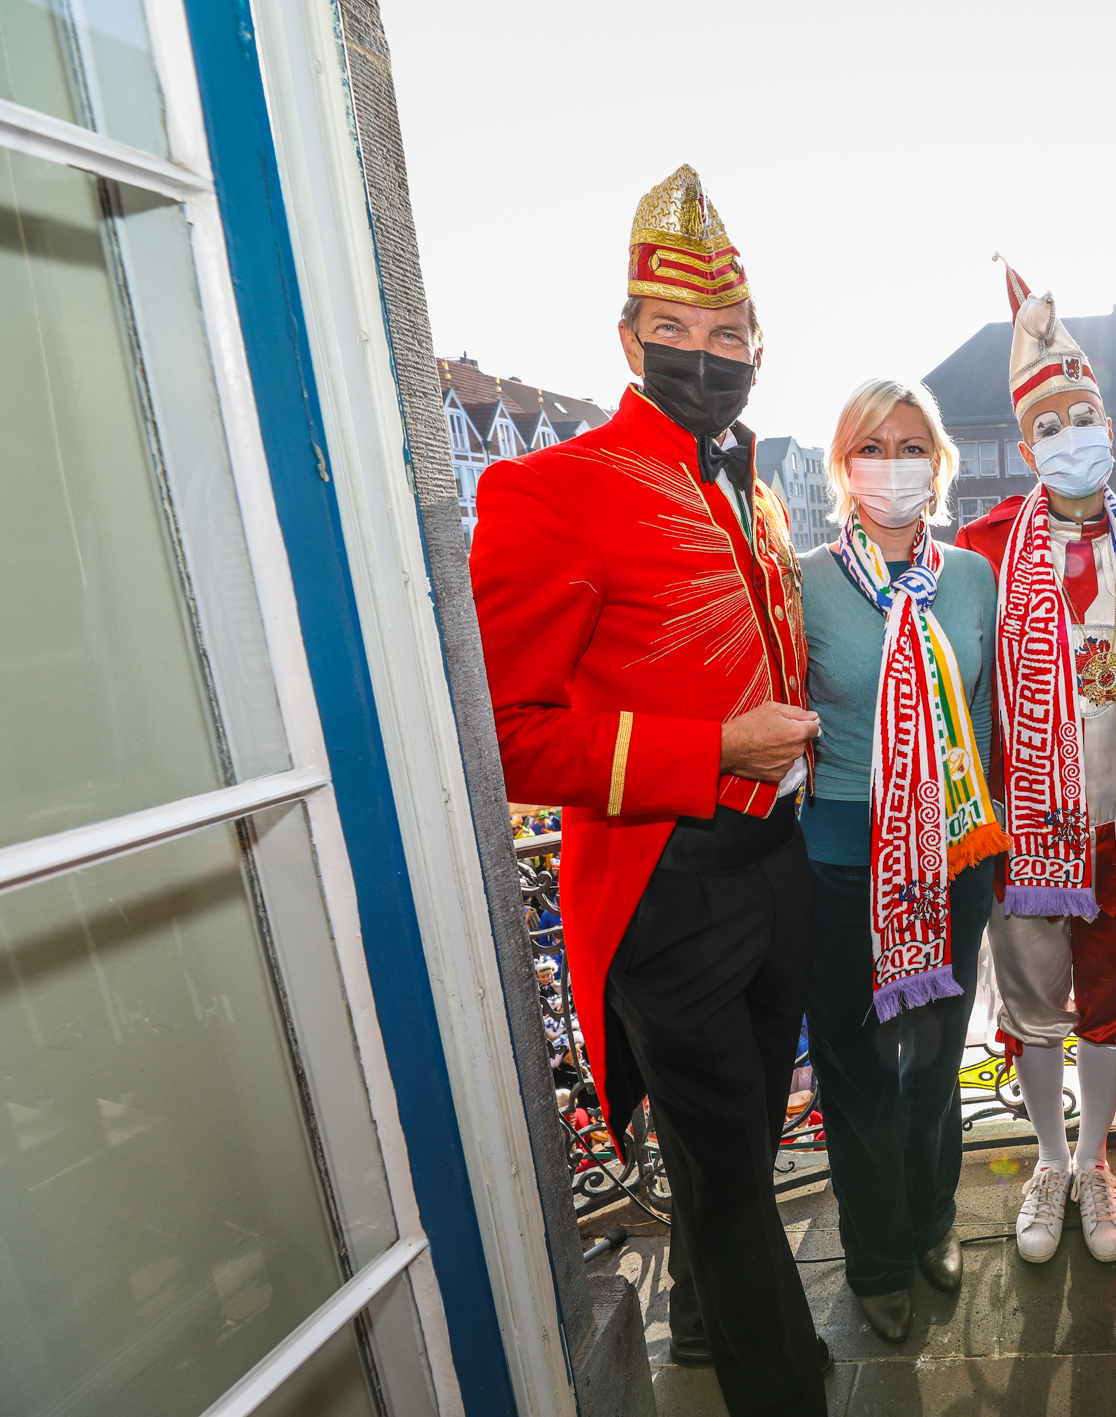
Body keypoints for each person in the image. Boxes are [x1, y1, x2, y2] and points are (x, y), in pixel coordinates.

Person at [469, 165, 829, 1416]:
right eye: (671, 333)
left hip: (774, 869)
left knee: (728, 1133)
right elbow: (512, 739)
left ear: (758, 349)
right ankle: (783, 1382)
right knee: (729, 1167)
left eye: (726, 335)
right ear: (625, 339)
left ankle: (693, 1333)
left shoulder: (758, 490)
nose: (702, 355)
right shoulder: (545, 488)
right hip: (663, 882)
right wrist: (710, 749)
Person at [954, 261, 1116, 1267]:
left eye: (1082, 416)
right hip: (1029, 824)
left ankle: (1094, 1163)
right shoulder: (983, 551)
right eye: (1049, 426)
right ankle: (1045, 1157)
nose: (1069, 436)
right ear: (1025, 441)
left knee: (1112, 1008)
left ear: (1108, 424)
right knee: (1037, 1005)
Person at [799, 378, 1003, 1342]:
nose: (894, 464)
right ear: (845, 466)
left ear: (939, 461)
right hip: (842, 865)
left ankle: (931, 1220)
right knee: (856, 1072)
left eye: (911, 444)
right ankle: (875, 1254)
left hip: (952, 864)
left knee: (932, 1063)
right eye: (873, 446)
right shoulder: (802, 581)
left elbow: (995, 718)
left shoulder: (970, 579)